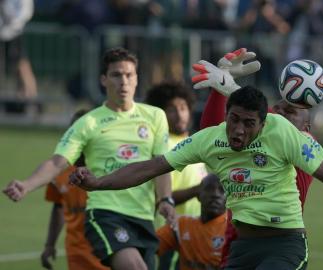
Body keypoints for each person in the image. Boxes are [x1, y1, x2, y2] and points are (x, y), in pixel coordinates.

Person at [70, 85, 323, 270]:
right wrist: (98, 182)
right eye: (234, 119)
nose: (238, 130)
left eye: (248, 123)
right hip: (242, 248)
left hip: (284, 245)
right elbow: (151, 167)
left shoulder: (284, 133)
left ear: (264, 123)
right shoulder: (210, 139)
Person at [3, 47, 175, 270]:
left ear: (136, 79)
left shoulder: (155, 116)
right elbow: (57, 163)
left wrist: (165, 200)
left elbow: (160, 165)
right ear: (103, 80)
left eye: (129, 75)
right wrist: (27, 184)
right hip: (105, 214)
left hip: (143, 217)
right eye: (116, 75)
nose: (123, 81)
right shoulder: (88, 123)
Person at [194, 49, 314, 267]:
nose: (278, 114)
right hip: (239, 240)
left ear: (306, 128)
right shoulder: (247, 142)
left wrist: (231, 87)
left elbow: (277, 126)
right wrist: (219, 91)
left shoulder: (305, 145)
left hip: (281, 243)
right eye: (276, 109)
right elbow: (210, 133)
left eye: (289, 111)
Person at [145, 81, 207, 270]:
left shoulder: (195, 143)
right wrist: (198, 190)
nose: (180, 114)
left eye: (183, 107)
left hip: (196, 232)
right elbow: (162, 197)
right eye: (171, 109)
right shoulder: (163, 148)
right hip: (170, 233)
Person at [40, 109, 109, 270]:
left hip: (108, 251)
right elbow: (58, 207)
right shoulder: (59, 170)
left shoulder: (109, 167)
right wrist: (50, 244)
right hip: (76, 253)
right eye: (77, 130)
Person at [156, 173, 227, 270]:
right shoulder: (181, 225)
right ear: (198, 194)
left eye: (222, 190)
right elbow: (149, 245)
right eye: (209, 188)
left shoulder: (235, 230)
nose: (215, 194)